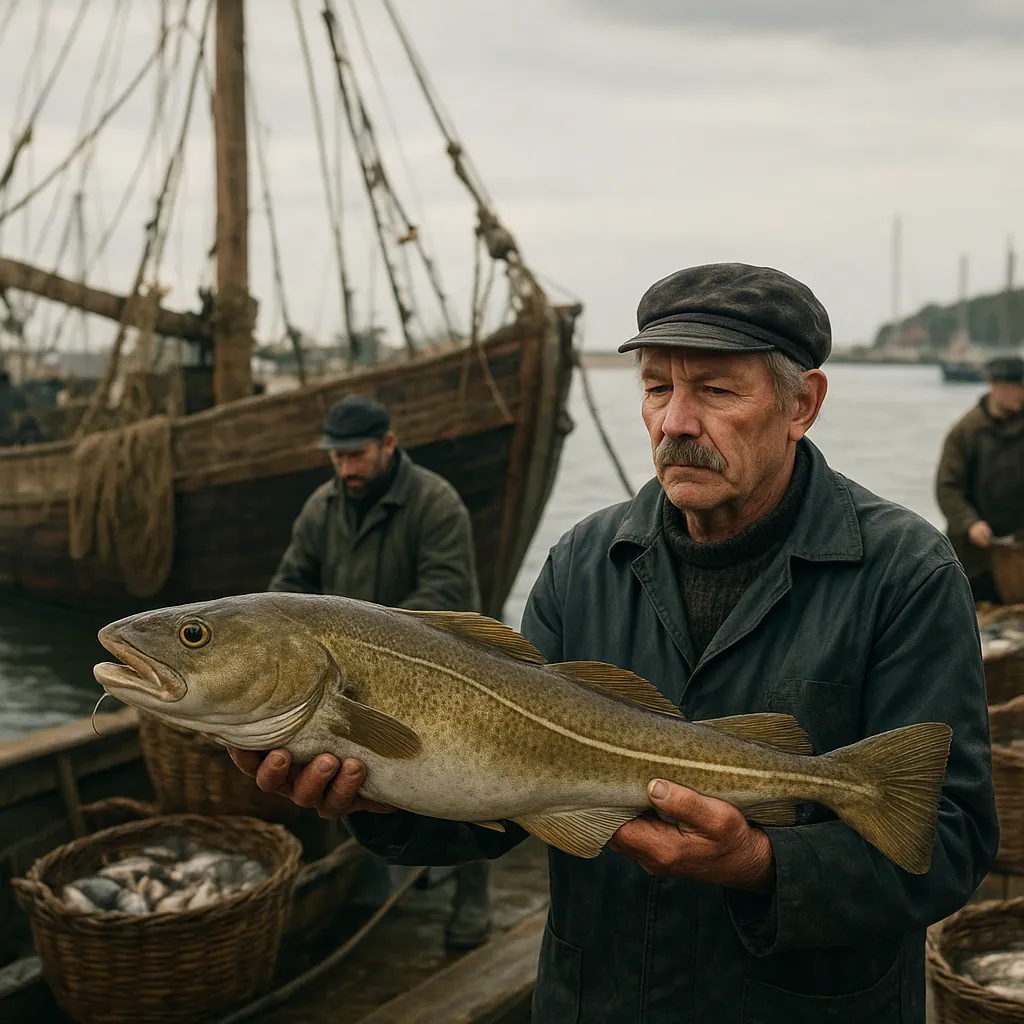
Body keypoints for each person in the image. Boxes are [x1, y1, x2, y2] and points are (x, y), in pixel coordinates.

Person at [232, 265, 998, 1022]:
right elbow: (494, 797)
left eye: (716, 390)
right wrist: (374, 797)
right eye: (658, 387)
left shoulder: (906, 573)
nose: (675, 422)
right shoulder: (580, 564)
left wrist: (764, 867)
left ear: (804, 403)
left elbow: (950, 842)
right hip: (596, 999)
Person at [260, 393, 493, 950]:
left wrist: (363, 640)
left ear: (389, 444)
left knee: (475, 785)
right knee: (354, 780)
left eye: (357, 455)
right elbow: (287, 589)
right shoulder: (322, 507)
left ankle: (473, 901)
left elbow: (448, 594)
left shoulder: (437, 504)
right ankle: (377, 882)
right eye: (336, 457)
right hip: (345, 680)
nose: (346, 468)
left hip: (450, 679)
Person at [936, 355, 1024, 603]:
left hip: (1018, 548)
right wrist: (970, 523)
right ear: (996, 386)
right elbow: (947, 487)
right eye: (1018, 386)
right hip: (975, 553)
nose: (1022, 393)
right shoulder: (966, 431)